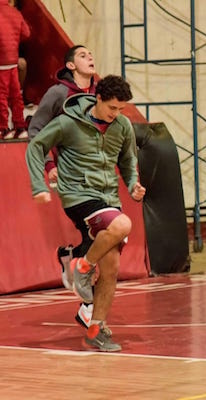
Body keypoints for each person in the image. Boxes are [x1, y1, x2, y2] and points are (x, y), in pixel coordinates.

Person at [26, 75, 145, 351]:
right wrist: (38, 185)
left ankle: (95, 328)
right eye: (112, 108)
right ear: (98, 99)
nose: (116, 114)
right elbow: (36, 146)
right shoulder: (68, 122)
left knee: (112, 266)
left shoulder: (123, 126)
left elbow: (127, 161)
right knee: (123, 224)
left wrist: (131, 185)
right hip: (79, 197)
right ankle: (82, 265)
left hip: (108, 199)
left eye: (121, 109)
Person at [28, 44, 97, 329]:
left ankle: (72, 258)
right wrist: (49, 165)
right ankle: (89, 306)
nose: (90, 57)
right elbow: (36, 130)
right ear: (70, 66)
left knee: (105, 239)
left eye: (91, 53)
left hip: (96, 177)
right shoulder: (58, 93)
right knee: (99, 232)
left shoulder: (98, 94)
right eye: (83, 55)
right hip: (70, 178)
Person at [0, 0, 30, 139]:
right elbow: (26, 33)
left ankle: (3, 128)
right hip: (12, 61)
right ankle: (20, 127)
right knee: (16, 95)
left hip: (1, 62)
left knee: (1, 96)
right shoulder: (15, 12)